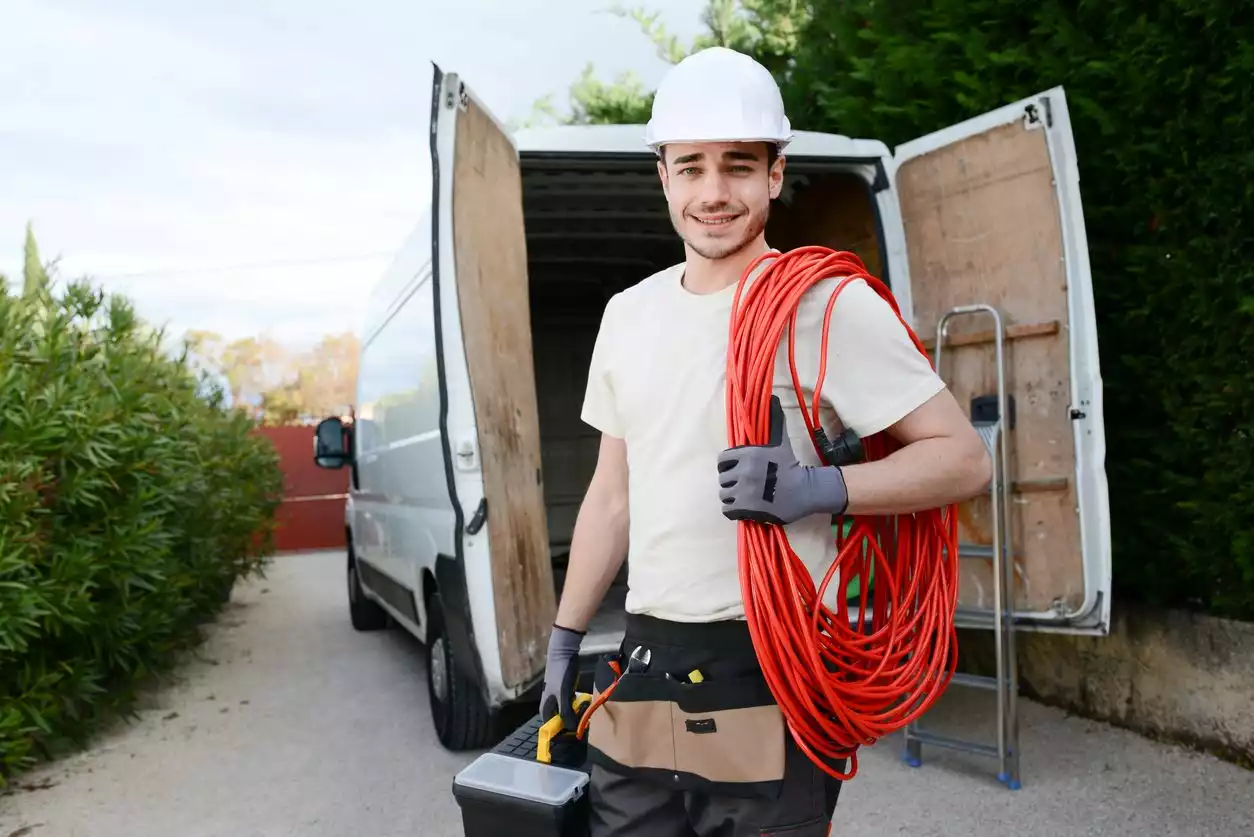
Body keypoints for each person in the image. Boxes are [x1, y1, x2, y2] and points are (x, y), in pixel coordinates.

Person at [538, 46, 993, 837]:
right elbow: (613, 495)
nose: (714, 192)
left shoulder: (827, 305)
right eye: (692, 167)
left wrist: (819, 488)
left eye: (738, 166)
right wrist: (565, 636)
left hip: (771, 669)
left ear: (775, 175)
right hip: (642, 665)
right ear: (664, 175)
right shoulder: (628, 315)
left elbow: (962, 457)